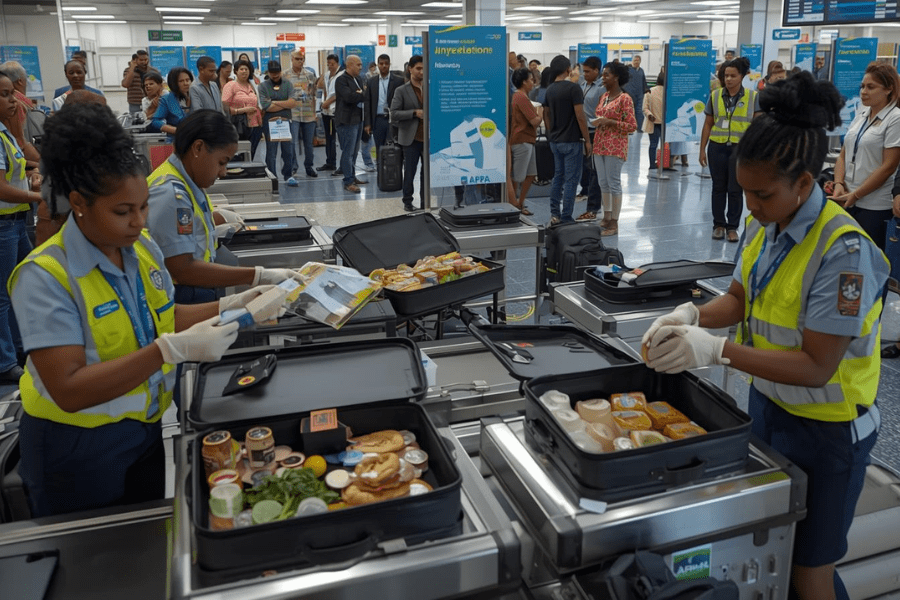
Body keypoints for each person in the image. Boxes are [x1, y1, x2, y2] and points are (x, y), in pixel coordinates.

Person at [644, 72, 888, 600]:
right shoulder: (765, 224)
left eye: (762, 193)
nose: (749, 205)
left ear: (804, 182)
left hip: (827, 429)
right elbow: (738, 298)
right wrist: (690, 316)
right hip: (769, 409)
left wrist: (718, 351)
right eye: (744, 191)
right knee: (770, 539)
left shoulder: (844, 253)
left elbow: (817, 365)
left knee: (809, 569)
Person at [9, 102, 286, 518]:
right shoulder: (46, 276)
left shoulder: (140, 248)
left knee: (145, 540)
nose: (139, 222)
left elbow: (164, 316)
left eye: (141, 208)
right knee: (94, 565)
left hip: (143, 429)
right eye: (123, 212)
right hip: (74, 446)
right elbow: (68, 388)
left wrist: (233, 304)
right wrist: (168, 352)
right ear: (80, 203)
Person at [146, 109, 303, 304]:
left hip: (196, 286)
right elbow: (183, 269)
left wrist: (213, 222)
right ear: (198, 148)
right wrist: (256, 276)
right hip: (182, 295)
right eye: (222, 162)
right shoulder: (170, 194)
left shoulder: (186, 182)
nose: (223, 172)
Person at [830, 63, 900, 359]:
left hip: (874, 204)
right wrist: (838, 182)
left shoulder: (895, 118)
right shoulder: (861, 113)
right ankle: (845, 323)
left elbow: (889, 166)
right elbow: (845, 150)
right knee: (846, 265)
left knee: (870, 270)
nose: (864, 92)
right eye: (862, 86)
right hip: (847, 197)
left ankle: (866, 330)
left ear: (889, 90)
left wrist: (856, 194)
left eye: (871, 87)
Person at [0, 71, 41, 384]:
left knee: (23, 286)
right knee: (3, 296)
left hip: (16, 222)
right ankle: (5, 362)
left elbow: (28, 160)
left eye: (11, 93)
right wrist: (37, 194)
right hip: (3, 226)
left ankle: (20, 348)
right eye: (4, 95)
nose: (12, 100)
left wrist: (32, 177)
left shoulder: (5, 134)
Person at [699, 57, 760, 243]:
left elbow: (758, 127)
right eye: (726, 75)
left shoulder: (753, 97)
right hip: (717, 147)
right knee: (718, 188)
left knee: (735, 189)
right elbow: (708, 124)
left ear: (742, 76)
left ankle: (732, 227)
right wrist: (702, 149)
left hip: (740, 149)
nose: (729, 79)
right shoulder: (715, 96)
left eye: (733, 75)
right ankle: (718, 225)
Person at [542, 55, 592, 224]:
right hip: (571, 141)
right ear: (567, 70)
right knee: (571, 180)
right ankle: (566, 217)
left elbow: (545, 114)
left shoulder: (549, 89)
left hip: (556, 141)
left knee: (558, 177)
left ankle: (554, 214)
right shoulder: (573, 89)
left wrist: (551, 133)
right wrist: (587, 140)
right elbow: (580, 116)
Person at [591, 61, 637, 236]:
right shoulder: (604, 96)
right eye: (603, 74)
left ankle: (614, 223)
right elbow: (598, 114)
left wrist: (609, 122)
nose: (603, 78)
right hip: (600, 144)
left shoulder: (625, 99)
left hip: (615, 146)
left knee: (614, 184)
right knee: (603, 183)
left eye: (606, 75)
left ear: (616, 78)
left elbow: (632, 126)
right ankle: (607, 216)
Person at [391, 55, 426, 212]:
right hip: (410, 139)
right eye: (418, 68)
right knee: (410, 172)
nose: (422, 72)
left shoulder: (430, 87)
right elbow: (394, 113)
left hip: (428, 138)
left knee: (426, 173)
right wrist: (414, 113)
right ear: (410, 69)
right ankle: (408, 201)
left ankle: (426, 202)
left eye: (424, 69)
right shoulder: (401, 90)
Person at [258, 60, 298, 187]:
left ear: (281, 72)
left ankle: (288, 175)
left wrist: (274, 102)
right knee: (271, 152)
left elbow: (293, 103)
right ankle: (272, 176)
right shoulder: (263, 86)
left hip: (286, 121)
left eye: (277, 73)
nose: (275, 75)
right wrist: (284, 103)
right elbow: (266, 106)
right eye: (272, 73)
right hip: (270, 122)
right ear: (268, 73)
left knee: (288, 150)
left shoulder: (288, 84)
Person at [576, 56, 605, 221]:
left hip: (595, 132)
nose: (584, 74)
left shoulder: (601, 88)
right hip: (583, 131)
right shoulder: (583, 84)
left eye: (587, 71)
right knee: (586, 167)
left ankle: (593, 208)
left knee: (594, 170)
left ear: (596, 70)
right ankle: (585, 192)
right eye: (583, 71)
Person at [510, 67, 541, 216]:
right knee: (518, 176)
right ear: (523, 82)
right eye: (530, 80)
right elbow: (534, 121)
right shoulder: (520, 97)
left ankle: (520, 203)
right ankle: (513, 204)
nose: (533, 82)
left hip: (528, 140)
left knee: (531, 174)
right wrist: (540, 113)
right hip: (521, 140)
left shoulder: (522, 97)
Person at [284, 50, 319, 179]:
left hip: (308, 113)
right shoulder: (285, 76)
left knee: (309, 143)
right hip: (293, 114)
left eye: (302, 59)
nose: (300, 61)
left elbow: (314, 95)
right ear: (292, 59)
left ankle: (309, 166)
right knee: (292, 142)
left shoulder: (310, 75)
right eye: (297, 59)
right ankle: (293, 166)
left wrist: (315, 113)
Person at [334, 55, 366, 194]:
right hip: (346, 121)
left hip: (358, 119)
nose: (360, 67)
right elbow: (349, 97)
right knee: (347, 152)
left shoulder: (358, 79)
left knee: (354, 152)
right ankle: (348, 181)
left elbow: (359, 94)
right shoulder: (341, 80)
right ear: (350, 65)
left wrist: (360, 93)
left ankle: (352, 177)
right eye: (358, 65)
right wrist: (362, 94)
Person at [221, 60, 263, 163]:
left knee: (250, 153)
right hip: (239, 125)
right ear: (236, 71)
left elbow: (257, 104)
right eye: (241, 69)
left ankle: (248, 174)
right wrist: (242, 110)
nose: (244, 71)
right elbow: (224, 107)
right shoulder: (230, 85)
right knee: (239, 154)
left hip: (255, 125)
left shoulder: (252, 85)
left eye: (246, 69)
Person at [364, 54, 404, 155]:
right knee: (379, 148)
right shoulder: (371, 82)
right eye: (381, 63)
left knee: (394, 148)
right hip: (378, 120)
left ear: (390, 64)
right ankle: (380, 170)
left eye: (386, 63)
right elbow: (367, 102)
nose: (384, 66)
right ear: (378, 65)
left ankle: (394, 170)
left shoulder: (398, 81)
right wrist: (367, 123)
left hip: (393, 120)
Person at [152, 67, 193, 138]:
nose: (186, 83)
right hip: (177, 139)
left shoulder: (196, 95)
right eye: (181, 81)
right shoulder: (167, 99)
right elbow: (156, 121)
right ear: (174, 83)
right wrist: (176, 130)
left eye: (187, 80)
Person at [317, 54, 341, 173]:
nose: (330, 66)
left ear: (337, 63)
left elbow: (338, 94)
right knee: (329, 138)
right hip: (326, 111)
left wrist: (327, 103)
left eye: (332, 64)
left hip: (335, 112)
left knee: (338, 140)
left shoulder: (341, 75)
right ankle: (329, 162)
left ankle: (339, 164)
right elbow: (322, 86)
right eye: (328, 64)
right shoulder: (327, 75)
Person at [121, 50, 158, 114]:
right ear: (135, 60)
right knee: (137, 121)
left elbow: (159, 86)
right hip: (135, 103)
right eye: (141, 60)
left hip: (151, 102)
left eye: (146, 60)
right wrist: (132, 67)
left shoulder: (153, 71)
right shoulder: (128, 71)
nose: (144, 62)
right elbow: (126, 84)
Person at [643, 71, 665, 172]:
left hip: (653, 122)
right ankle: (664, 164)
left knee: (653, 144)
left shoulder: (650, 91)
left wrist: (649, 115)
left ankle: (652, 165)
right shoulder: (669, 93)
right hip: (665, 124)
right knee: (665, 145)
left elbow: (645, 108)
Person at [623, 54, 647, 132]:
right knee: (629, 111)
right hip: (630, 94)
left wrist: (646, 90)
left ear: (640, 61)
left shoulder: (641, 71)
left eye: (637, 60)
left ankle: (639, 129)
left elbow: (644, 82)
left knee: (639, 112)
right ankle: (629, 128)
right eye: (634, 60)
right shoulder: (628, 70)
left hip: (640, 95)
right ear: (632, 61)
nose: (636, 62)